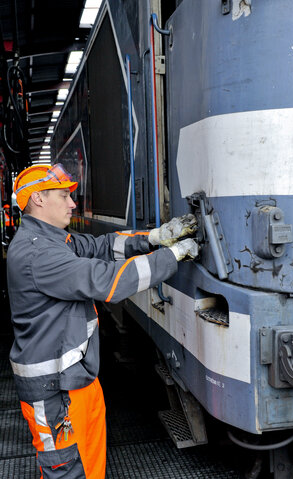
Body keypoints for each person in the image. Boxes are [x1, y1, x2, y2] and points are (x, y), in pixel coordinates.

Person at [6, 163, 199, 479]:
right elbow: (107, 281)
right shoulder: (37, 254)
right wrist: (172, 256)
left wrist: (155, 237)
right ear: (38, 199)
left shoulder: (57, 240)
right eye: (64, 196)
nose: (72, 203)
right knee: (67, 471)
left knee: (89, 467)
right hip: (54, 391)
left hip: (74, 381)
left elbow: (103, 247)